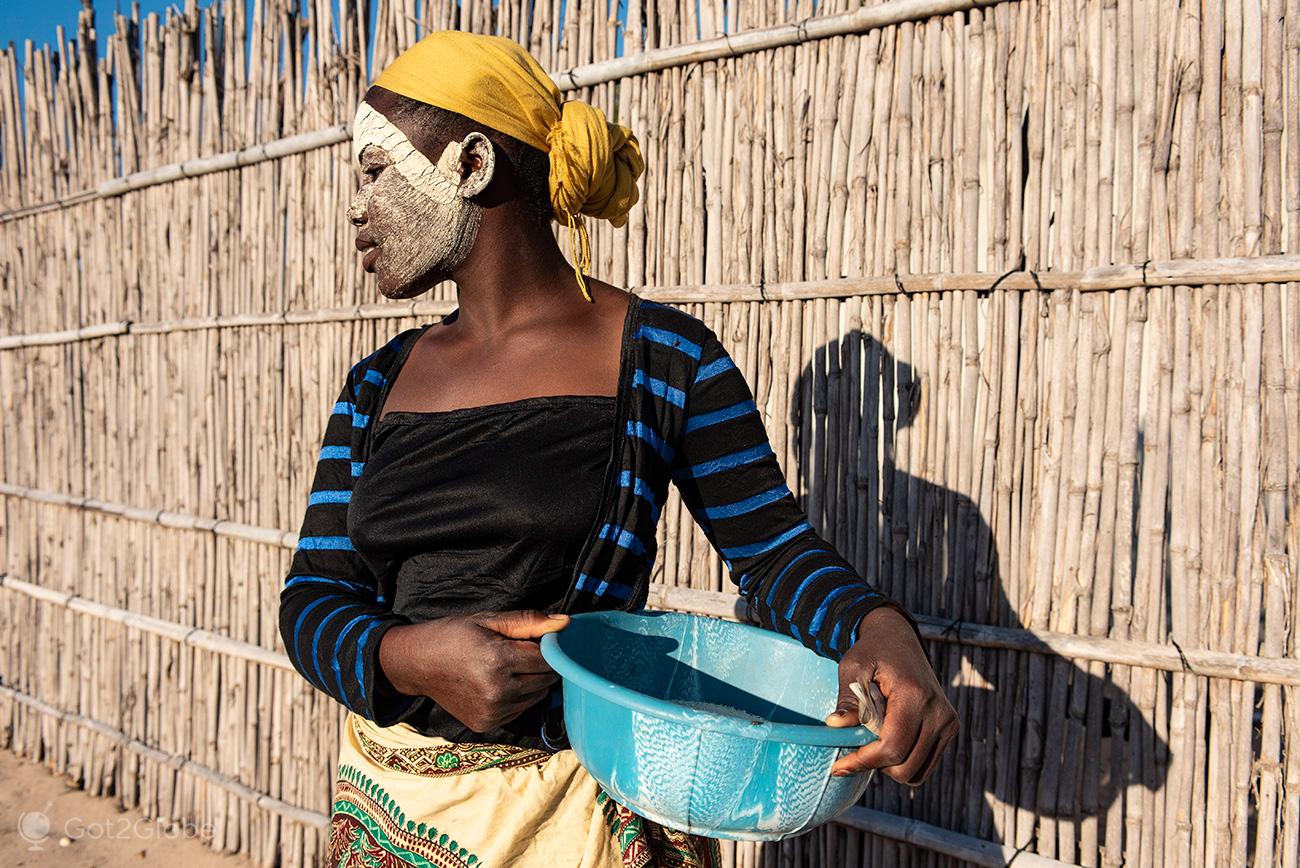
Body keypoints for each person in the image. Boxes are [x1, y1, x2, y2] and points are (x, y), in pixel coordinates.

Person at [278, 29, 958, 868]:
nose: (354, 204)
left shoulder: (664, 359)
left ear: (472, 164)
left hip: (587, 816)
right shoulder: (377, 385)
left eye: (375, 170)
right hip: (391, 814)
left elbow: (771, 552)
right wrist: (405, 656)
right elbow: (313, 597)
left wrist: (875, 624)